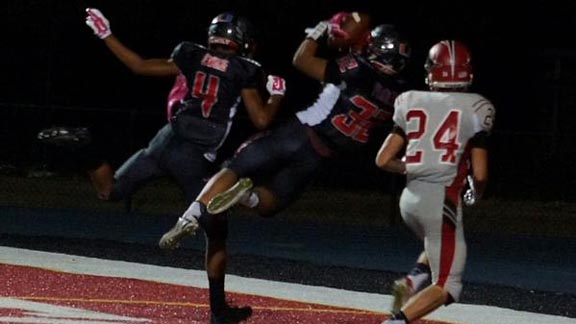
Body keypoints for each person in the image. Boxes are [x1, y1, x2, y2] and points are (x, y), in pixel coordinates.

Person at [157, 11, 411, 323]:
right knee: (270, 204)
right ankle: (246, 197)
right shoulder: (400, 95)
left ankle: (190, 216)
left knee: (233, 167)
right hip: (322, 157)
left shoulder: (357, 69)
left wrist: (316, 33)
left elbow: (302, 61)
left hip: (297, 133)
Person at [38, 8, 285, 209]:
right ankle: (237, 201)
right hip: (194, 153)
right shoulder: (244, 70)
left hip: (163, 140)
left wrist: (106, 35)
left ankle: (86, 148)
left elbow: (139, 66)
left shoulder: (191, 55)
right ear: (242, 41)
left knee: (109, 190)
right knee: (210, 211)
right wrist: (276, 96)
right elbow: (261, 120)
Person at [374, 40, 495, 323]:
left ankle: (414, 280)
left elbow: (382, 160)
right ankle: (395, 322)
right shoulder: (477, 106)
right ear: (468, 72)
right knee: (448, 285)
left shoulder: (409, 99)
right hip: (441, 203)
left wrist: (413, 166)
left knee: (436, 243)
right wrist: (476, 194)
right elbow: (480, 174)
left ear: (432, 71)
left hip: (410, 201)